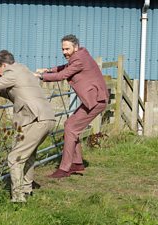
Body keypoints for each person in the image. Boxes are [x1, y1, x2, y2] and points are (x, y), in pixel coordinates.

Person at [0, 50, 55, 202]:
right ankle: (27, 189)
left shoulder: (11, 72)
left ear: (4, 65)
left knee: (14, 158)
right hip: (46, 117)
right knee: (29, 155)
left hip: (36, 119)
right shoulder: (23, 71)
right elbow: (12, 93)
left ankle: (18, 197)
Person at [35, 34, 109, 179]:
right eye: (63, 49)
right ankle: (77, 163)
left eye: (67, 49)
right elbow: (64, 67)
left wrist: (41, 77)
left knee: (71, 128)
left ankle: (64, 168)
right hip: (93, 99)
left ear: (75, 47)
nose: (64, 52)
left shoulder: (79, 59)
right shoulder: (80, 54)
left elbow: (63, 75)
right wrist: (49, 70)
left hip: (96, 101)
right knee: (70, 125)